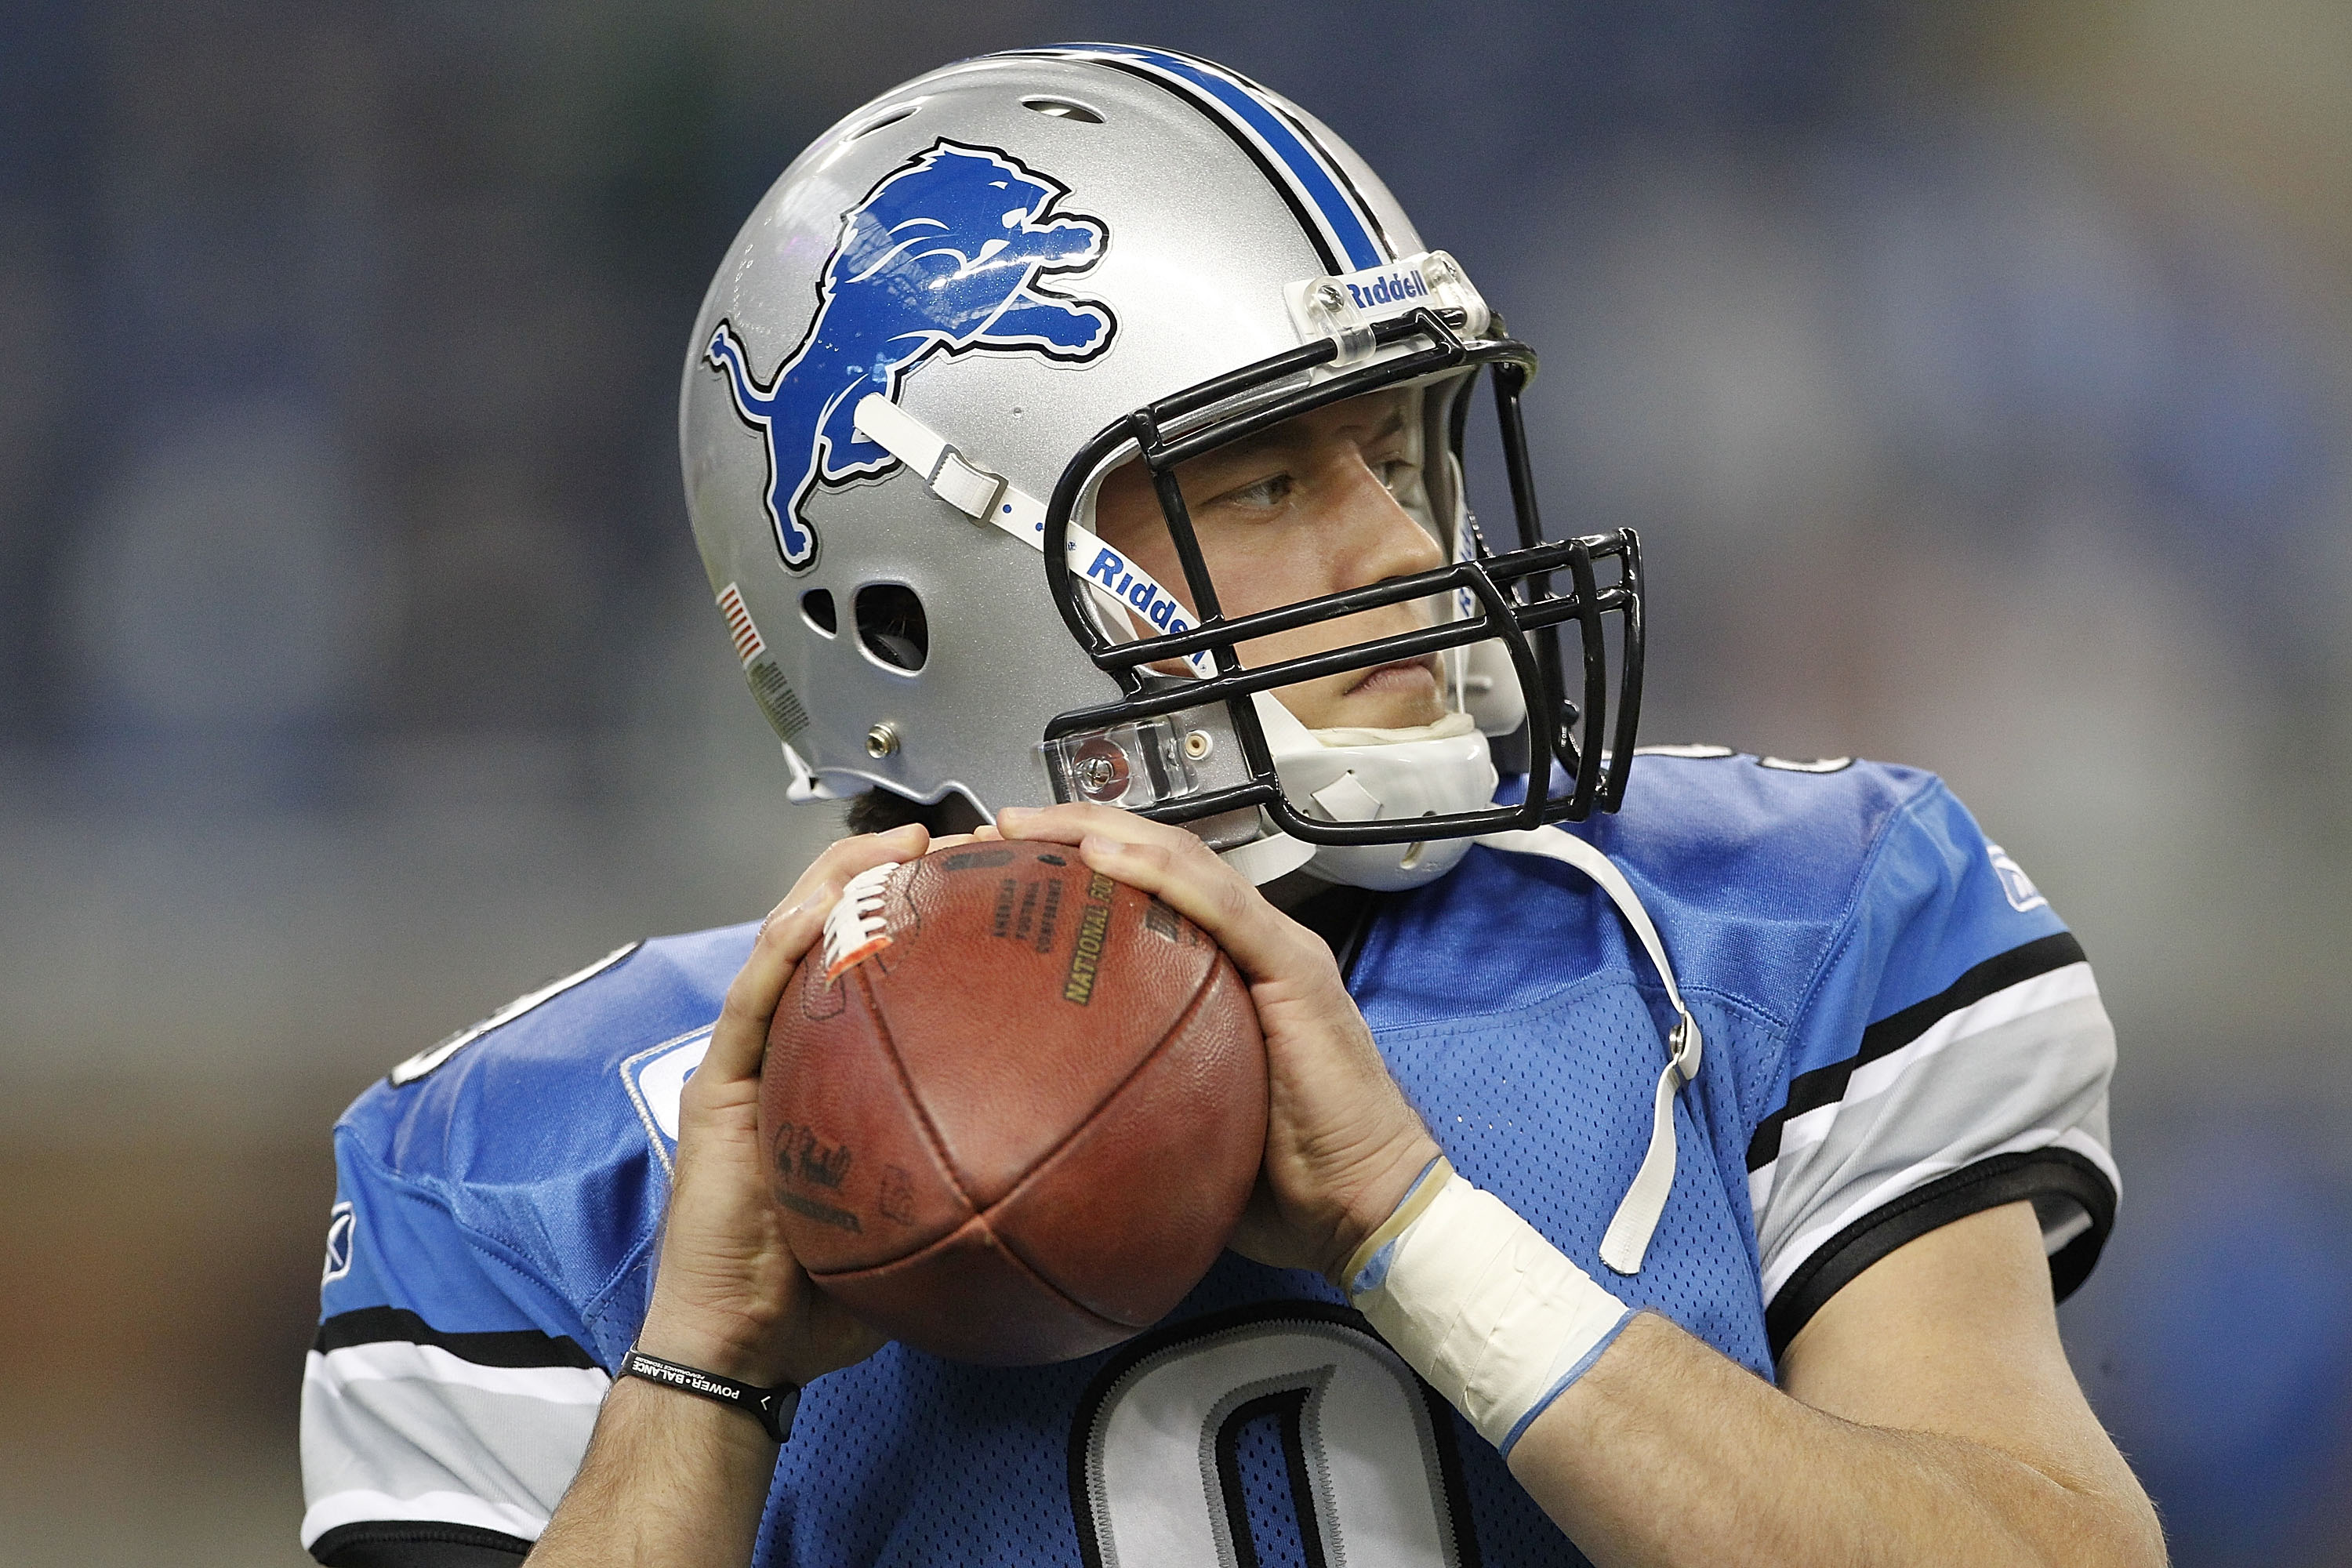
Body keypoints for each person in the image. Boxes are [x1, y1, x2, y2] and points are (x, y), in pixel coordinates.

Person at [298, 44, 2164, 1568]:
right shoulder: (552, 1161)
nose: (1408, 546)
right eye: (1263, 487)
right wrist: (699, 1379)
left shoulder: (1781, 924)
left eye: (1404, 444)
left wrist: (1421, 1238)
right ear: (910, 600)